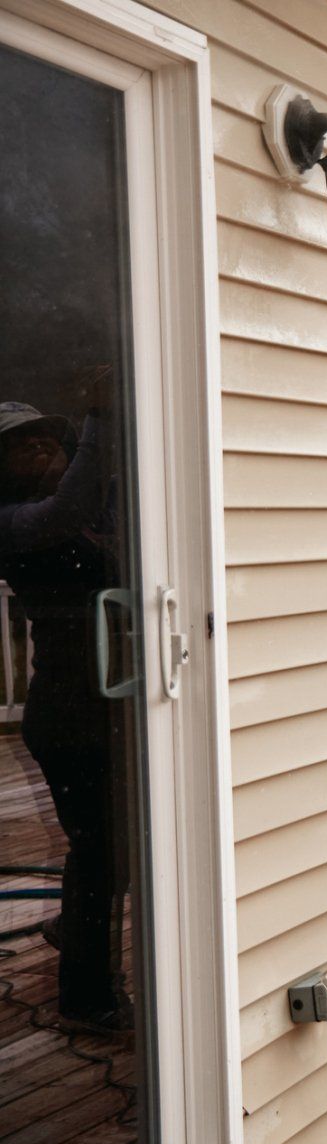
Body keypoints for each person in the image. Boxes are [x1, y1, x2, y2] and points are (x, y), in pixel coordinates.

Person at [0, 368, 123, 1033]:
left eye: (47, 437)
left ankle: (75, 926)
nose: (41, 445)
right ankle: (87, 1000)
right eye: (21, 443)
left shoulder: (85, 522)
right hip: (68, 713)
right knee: (98, 850)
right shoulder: (14, 523)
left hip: (105, 701)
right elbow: (67, 508)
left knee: (116, 846)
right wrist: (101, 414)